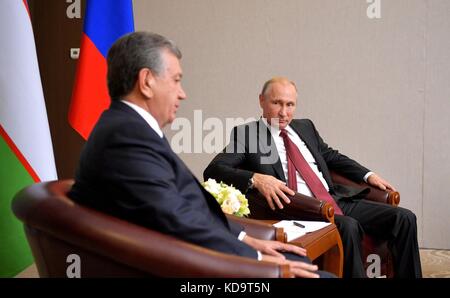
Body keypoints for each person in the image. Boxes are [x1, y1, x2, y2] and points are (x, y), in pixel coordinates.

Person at [68, 32, 334, 278]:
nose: (182, 94)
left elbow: (182, 208)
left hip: (187, 255)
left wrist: (244, 239)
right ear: (146, 81)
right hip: (184, 268)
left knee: (298, 259)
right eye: (176, 80)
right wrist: (254, 259)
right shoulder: (126, 139)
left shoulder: (128, 129)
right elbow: (172, 219)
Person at [204, 77, 422, 278]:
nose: (284, 112)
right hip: (301, 209)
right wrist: (256, 178)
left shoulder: (304, 127)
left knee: (404, 218)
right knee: (348, 226)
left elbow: (331, 157)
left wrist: (368, 174)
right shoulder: (248, 134)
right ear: (262, 101)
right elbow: (214, 169)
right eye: (277, 103)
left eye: (290, 105)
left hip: (334, 199)